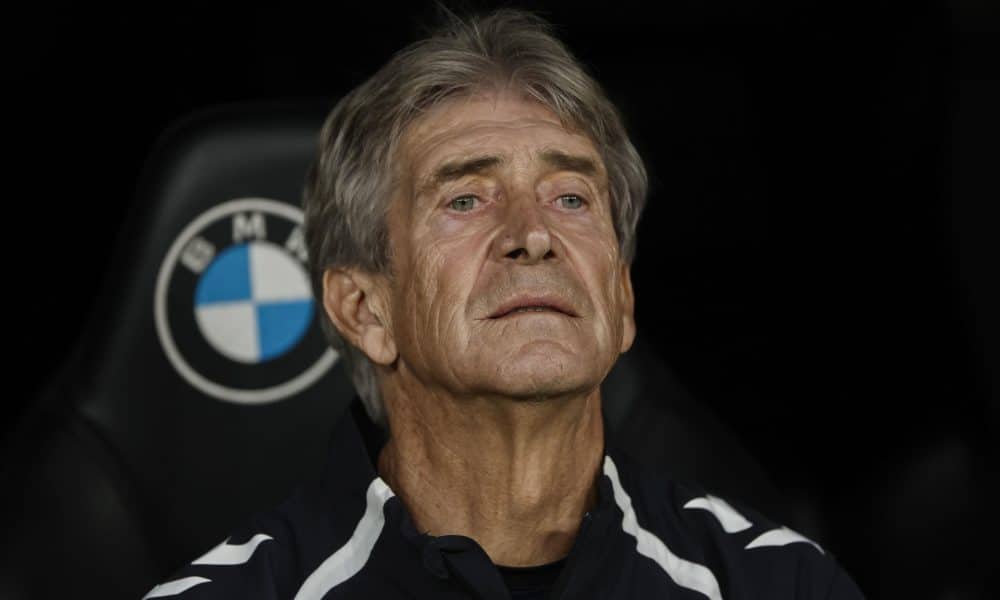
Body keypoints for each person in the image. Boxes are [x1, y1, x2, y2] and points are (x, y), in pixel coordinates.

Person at [142, 9, 864, 599]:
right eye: (465, 198)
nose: (533, 235)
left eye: (571, 197)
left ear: (621, 297)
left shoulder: (781, 584)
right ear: (365, 309)